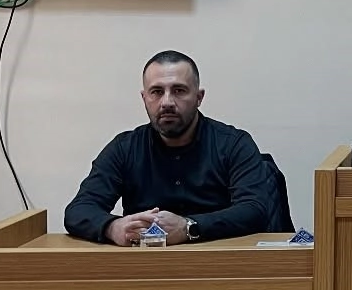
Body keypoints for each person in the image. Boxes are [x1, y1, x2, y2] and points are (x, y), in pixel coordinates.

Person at [64, 51, 276, 246]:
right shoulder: (124, 149)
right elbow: (78, 210)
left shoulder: (234, 144)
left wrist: (189, 227)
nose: (167, 102)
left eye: (179, 90)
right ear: (144, 98)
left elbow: (254, 209)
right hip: (145, 266)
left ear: (199, 97)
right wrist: (113, 228)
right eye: (156, 92)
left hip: (219, 262)